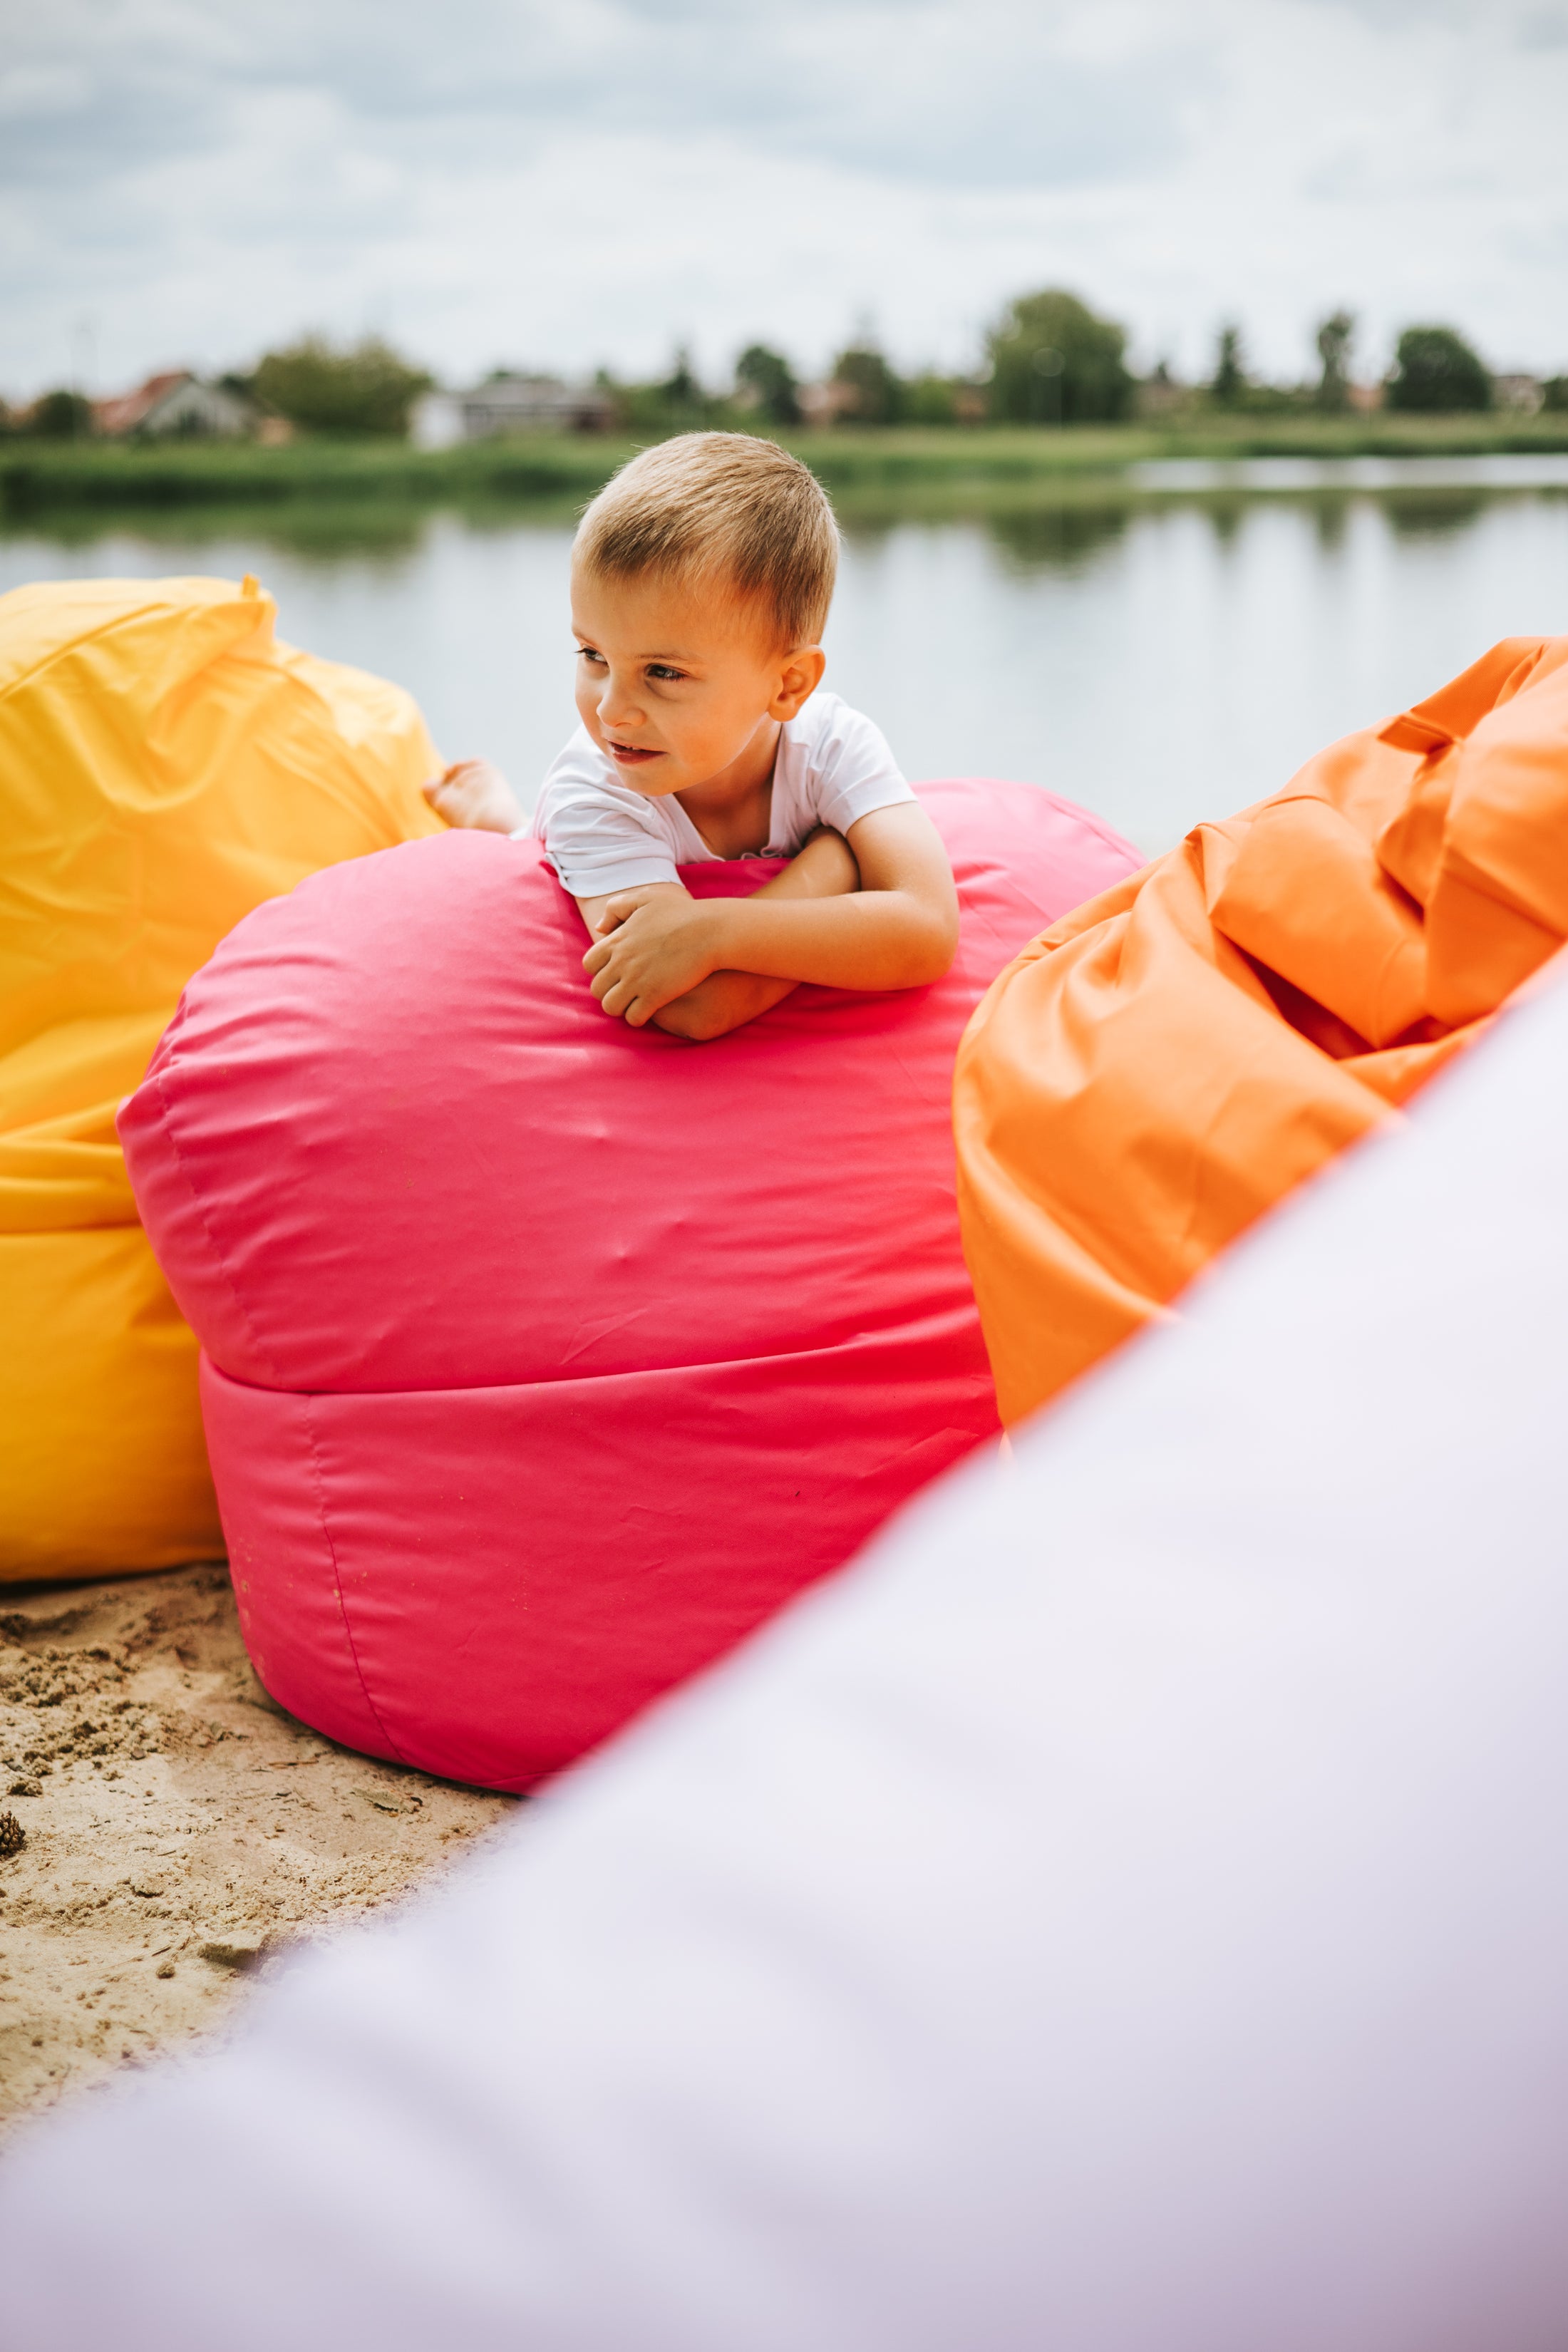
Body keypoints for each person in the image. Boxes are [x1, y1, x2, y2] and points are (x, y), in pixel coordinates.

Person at [423, 433, 959, 1042]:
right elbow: (691, 1005)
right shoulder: (595, 794)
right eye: (593, 655)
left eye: (663, 673)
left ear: (787, 685)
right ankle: (499, 818)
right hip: (570, 832)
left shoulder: (833, 744)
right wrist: (834, 861)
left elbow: (928, 928)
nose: (611, 712)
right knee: (525, 847)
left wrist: (713, 931)